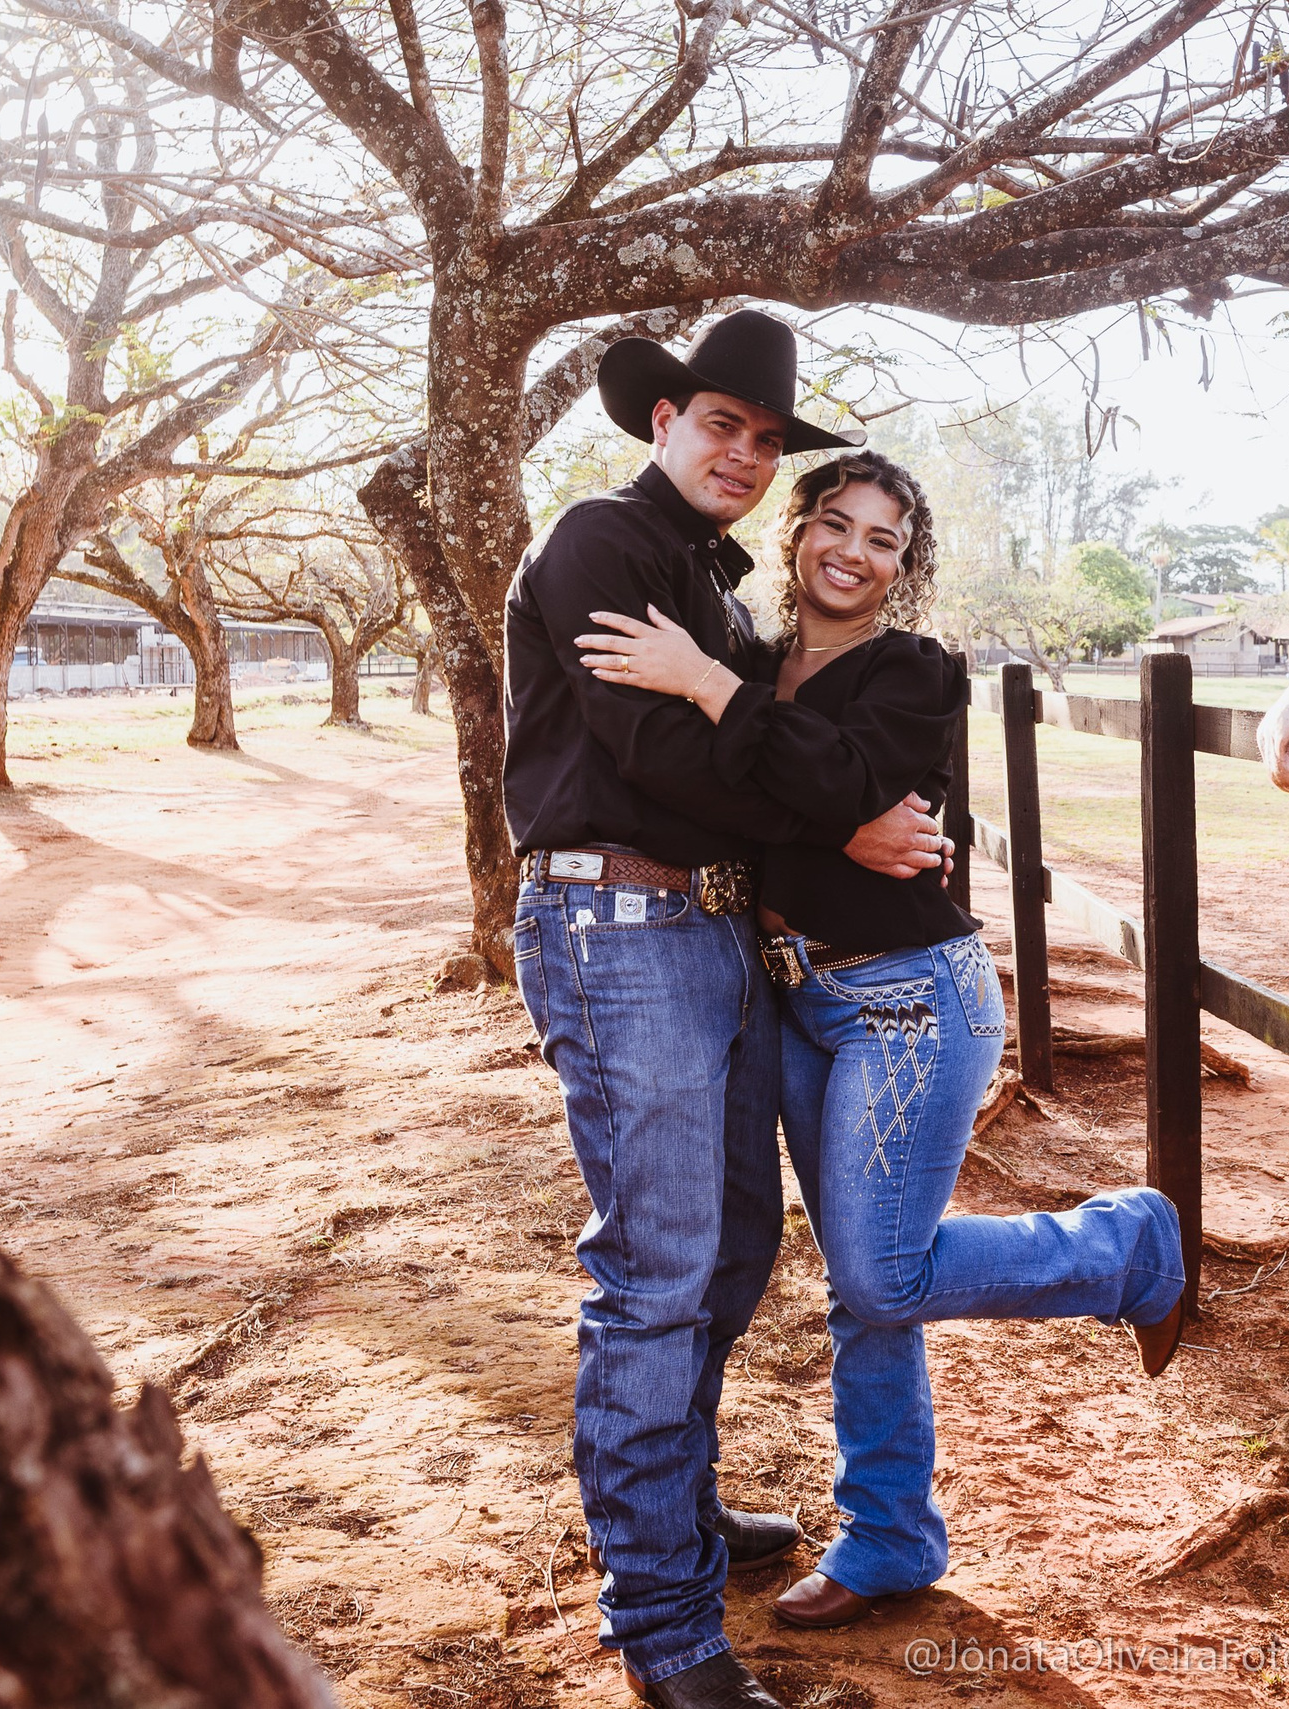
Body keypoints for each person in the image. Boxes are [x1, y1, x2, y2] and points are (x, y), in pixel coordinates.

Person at [574, 448, 1191, 1634]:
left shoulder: (913, 669)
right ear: (799, 528)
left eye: (886, 540)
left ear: (906, 568)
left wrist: (717, 694)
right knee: (871, 1293)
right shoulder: (759, 662)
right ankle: (892, 1531)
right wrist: (829, 819)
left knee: (878, 1270)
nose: (854, 553)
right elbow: (758, 799)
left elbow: (846, 772)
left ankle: (1125, 1246)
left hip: (910, 996)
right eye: (837, 524)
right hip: (797, 997)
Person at [503, 310, 954, 1709]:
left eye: (765, 439)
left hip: (711, 930)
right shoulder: (600, 545)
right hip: (618, 917)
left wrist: (800, 784)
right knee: (657, 1270)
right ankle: (665, 1621)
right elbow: (665, 757)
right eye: (721, 425)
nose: (743, 455)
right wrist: (840, 819)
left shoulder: (714, 589)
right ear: (662, 423)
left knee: (738, 1248)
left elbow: (739, 752)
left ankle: (676, 1514)